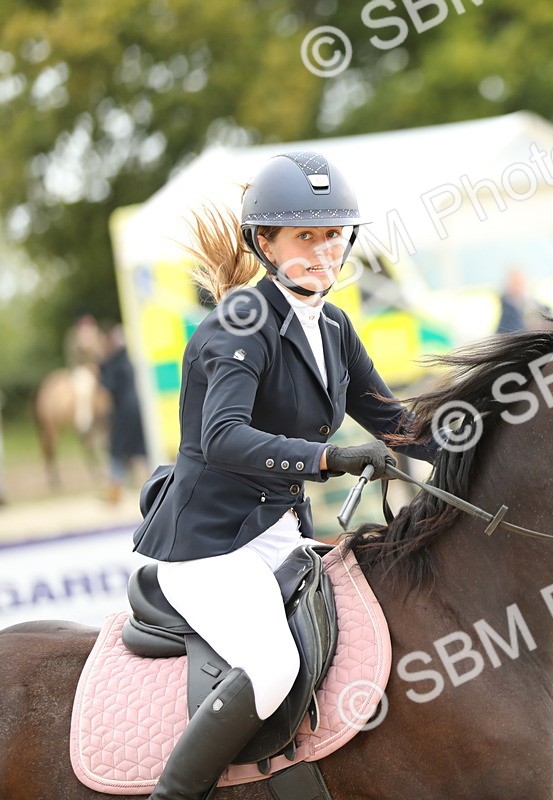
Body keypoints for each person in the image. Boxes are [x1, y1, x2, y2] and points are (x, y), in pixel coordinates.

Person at [131, 151, 438, 800]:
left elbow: (394, 421)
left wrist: (485, 443)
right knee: (273, 666)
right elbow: (221, 437)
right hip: (209, 546)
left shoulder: (332, 325)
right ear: (265, 243)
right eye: (307, 236)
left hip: (277, 534)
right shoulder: (239, 324)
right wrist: (327, 459)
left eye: (335, 235)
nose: (326, 251)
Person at [97, 324, 147, 503]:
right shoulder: (133, 359)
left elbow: (105, 393)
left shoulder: (111, 363)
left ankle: (115, 489)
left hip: (122, 412)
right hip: (141, 409)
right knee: (143, 449)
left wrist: (104, 418)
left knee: (116, 450)